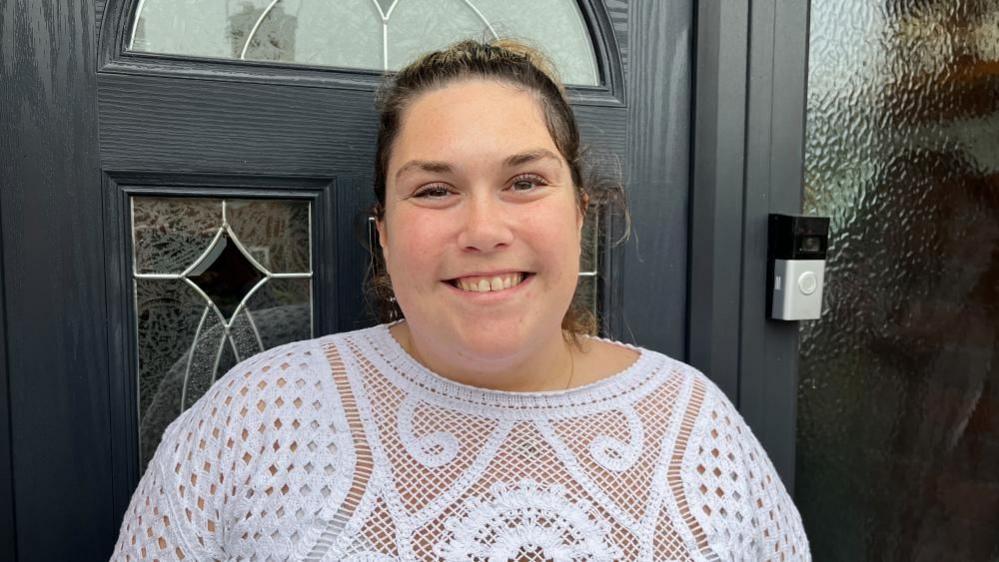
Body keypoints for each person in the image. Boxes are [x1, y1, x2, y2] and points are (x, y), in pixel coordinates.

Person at [113, 39, 809, 561]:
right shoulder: (257, 419)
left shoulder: (697, 432)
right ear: (383, 236)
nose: (482, 231)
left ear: (578, 214)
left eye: (525, 182)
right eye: (434, 190)